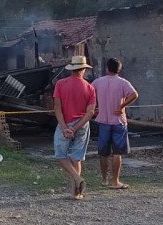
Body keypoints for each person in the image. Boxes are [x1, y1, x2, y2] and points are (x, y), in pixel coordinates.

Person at [53, 55, 98, 200]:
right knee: (77, 158)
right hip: (82, 124)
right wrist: (76, 127)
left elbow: (57, 108)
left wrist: (65, 127)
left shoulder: (60, 84)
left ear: (72, 69)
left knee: (60, 155)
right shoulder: (90, 88)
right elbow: (91, 112)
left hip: (64, 123)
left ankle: (77, 179)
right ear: (83, 69)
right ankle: (76, 193)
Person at [91, 57, 139, 190]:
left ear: (107, 68)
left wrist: (94, 107)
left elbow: (89, 94)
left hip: (103, 121)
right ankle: (115, 181)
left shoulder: (97, 82)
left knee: (103, 152)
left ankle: (104, 180)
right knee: (117, 152)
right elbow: (134, 94)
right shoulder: (123, 82)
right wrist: (122, 105)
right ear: (119, 69)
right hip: (118, 121)